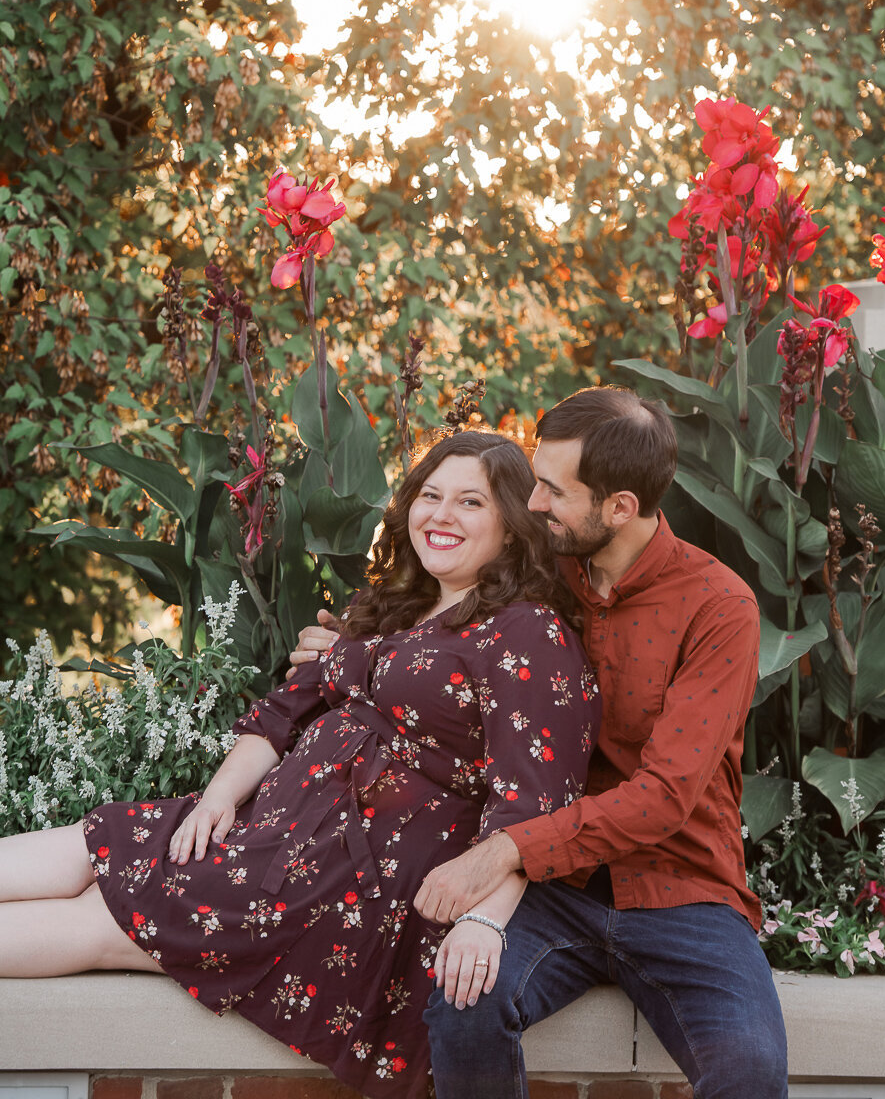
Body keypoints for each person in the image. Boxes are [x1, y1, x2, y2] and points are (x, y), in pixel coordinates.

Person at [0, 430, 599, 1099]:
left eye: (470, 503)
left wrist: (484, 920)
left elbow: (534, 806)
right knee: (89, 848)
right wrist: (217, 798)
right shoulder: (393, 606)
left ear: (513, 528)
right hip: (272, 829)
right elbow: (281, 713)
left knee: (104, 922)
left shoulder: (526, 633)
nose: (441, 515)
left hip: (348, 882)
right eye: (430, 495)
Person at [294, 388, 789, 1099]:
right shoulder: (537, 572)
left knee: (748, 1070)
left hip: (683, 893)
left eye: (553, 490)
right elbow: (437, 632)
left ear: (618, 507)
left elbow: (663, 797)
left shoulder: (718, 607)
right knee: (463, 1003)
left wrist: (502, 851)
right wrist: (355, 651)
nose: (532, 504)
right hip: (554, 893)